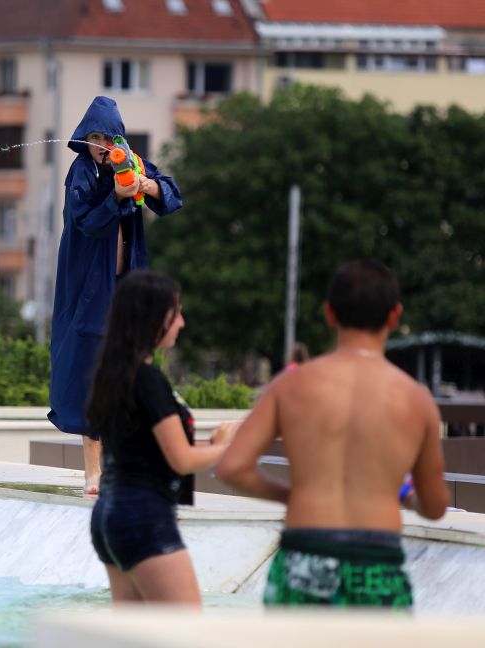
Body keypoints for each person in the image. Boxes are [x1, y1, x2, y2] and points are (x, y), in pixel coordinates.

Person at [217, 259, 450, 608]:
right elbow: (435, 506)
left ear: (329, 313)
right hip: (376, 560)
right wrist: (402, 498)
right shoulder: (416, 401)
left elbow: (232, 467)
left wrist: (293, 495)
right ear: (394, 316)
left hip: (304, 554)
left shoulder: (290, 386)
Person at [49, 96, 183, 495]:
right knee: (89, 372)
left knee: (128, 372)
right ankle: (93, 474)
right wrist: (117, 198)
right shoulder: (82, 173)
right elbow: (86, 223)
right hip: (89, 290)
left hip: (127, 288)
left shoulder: (132, 164)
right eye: (95, 137)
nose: (103, 144)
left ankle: (125, 466)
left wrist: (146, 186)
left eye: (109, 137)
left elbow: (173, 197)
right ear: (84, 141)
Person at [86, 270, 238, 604]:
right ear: (152, 317)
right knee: (183, 636)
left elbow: (148, 451)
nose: (182, 322)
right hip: (143, 516)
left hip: (109, 514)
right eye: (176, 312)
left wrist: (209, 447)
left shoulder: (112, 374)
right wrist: (223, 447)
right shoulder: (147, 379)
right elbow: (181, 459)